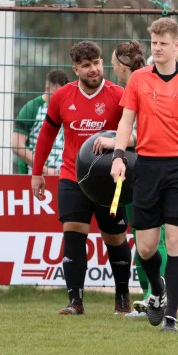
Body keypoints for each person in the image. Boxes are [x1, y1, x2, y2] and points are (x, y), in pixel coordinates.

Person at [111, 18, 178, 333]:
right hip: (146, 166)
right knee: (145, 247)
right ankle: (157, 290)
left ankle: (171, 315)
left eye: (163, 43)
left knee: (175, 239)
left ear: (176, 46)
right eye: (154, 43)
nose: (157, 48)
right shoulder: (138, 79)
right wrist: (118, 156)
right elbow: (126, 121)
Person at [31, 41, 133, 316]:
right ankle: (75, 301)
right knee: (73, 231)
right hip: (72, 177)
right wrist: (37, 173)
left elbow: (133, 133)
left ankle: (122, 298)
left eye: (97, 63)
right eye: (86, 65)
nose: (94, 69)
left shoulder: (118, 95)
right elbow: (47, 134)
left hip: (109, 181)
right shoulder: (62, 96)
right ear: (75, 69)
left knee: (115, 238)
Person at [95, 40, 170, 318]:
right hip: (137, 170)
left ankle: (158, 296)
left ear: (122, 66)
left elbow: (151, 130)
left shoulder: (144, 87)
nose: (111, 68)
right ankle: (154, 295)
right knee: (144, 236)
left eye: (113, 64)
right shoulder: (134, 87)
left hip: (151, 169)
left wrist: (117, 142)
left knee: (152, 237)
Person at [13, 70, 69, 175]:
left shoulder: (68, 109)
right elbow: (17, 145)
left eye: (64, 94)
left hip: (64, 176)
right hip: (34, 176)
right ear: (47, 88)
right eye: (57, 93)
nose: (61, 98)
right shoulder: (32, 108)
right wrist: (44, 169)